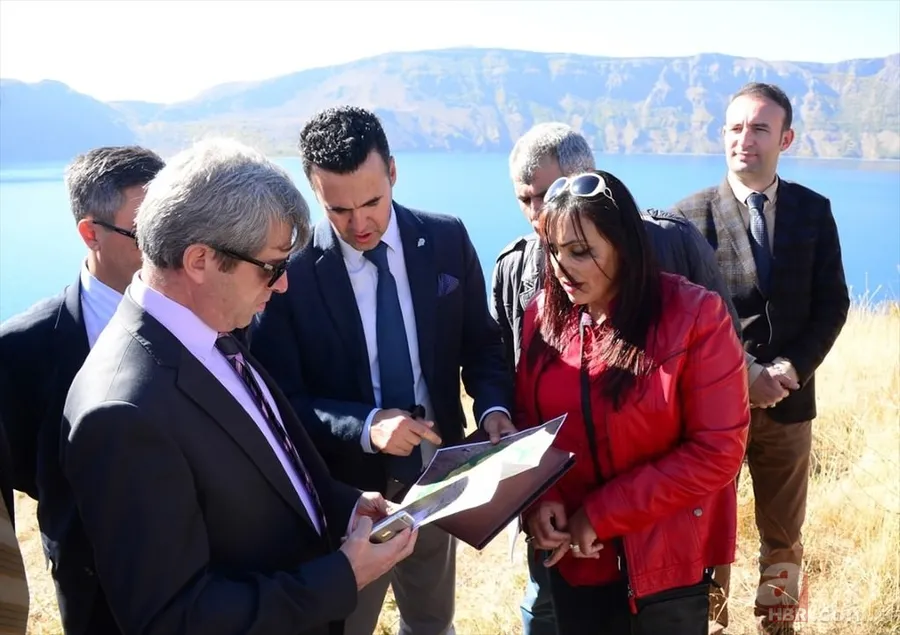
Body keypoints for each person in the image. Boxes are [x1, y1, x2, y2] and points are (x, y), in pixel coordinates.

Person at [60, 138, 417, 635]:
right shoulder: (122, 413)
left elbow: (271, 465)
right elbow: (173, 618)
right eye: (272, 267)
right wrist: (342, 575)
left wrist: (345, 505)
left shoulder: (211, 326)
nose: (283, 285)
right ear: (200, 260)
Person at [250, 106, 513, 635]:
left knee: (433, 624)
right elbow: (282, 402)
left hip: (436, 479)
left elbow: (483, 344)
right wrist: (367, 426)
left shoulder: (446, 238)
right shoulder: (289, 275)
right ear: (314, 190)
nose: (360, 224)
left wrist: (493, 409)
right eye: (339, 209)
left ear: (393, 171)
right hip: (344, 499)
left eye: (372, 202)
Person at [492, 122, 741, 635]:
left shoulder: (694, 315)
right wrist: (540, 502)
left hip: (662, 565)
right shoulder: (543, 316)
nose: (562, 267)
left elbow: (717, 451)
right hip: (572, 561)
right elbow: (530, 424)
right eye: (554, 249)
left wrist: (601, 514)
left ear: (624, 246)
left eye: (581, 251)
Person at [671, 82, 850, 634]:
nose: (744, 139)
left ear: (785, 139)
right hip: (711, 413)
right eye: (735, 127)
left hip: (790, 407)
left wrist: (791, 369)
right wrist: (745, 374)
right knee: (707, 534)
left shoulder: (813, 212)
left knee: (784, 537)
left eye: (759, 129)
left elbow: (833, 303)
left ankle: (779, 624)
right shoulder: (686, 219)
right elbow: (681, 319)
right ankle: (709, 624)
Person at [0, 145, 164, 635]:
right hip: (95, 597)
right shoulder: (19, 350)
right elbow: (28, 471)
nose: (168, 245)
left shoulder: (216, 316)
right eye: (147, 232)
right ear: (91, 233)